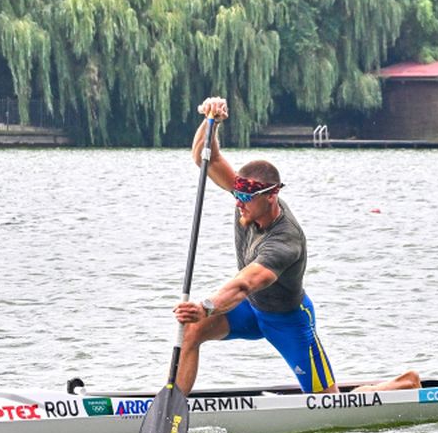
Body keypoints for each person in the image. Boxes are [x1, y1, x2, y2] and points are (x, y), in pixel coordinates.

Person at [172, 96, 420, 395]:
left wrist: (206, 307)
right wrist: (211, 122)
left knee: (329, 403)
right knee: (191, 331)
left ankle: (405, 383)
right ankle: (173, 407)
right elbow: (205, 159)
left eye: (246, 198)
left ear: (271, 196)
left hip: (288, 320)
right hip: (250, 311)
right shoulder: (248, 200)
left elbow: (244, 285)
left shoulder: (285, 240)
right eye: (237, 195)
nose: (239, 203)